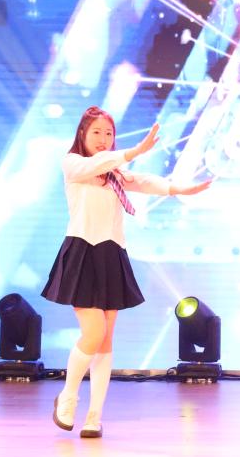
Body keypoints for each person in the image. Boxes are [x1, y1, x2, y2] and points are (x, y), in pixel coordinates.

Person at [42, 106, 211, 438]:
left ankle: (94, 416)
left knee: (105, 340)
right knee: (93, 333)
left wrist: (178, 189)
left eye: (109, 134)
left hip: (111, 254)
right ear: (82, 134)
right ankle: (68, 396)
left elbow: (143, 181)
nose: (103, 139)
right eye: (97, 132)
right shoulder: (74, 164)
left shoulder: (115, 173)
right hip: (82, 252)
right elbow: (100, 164)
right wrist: (135, 151)